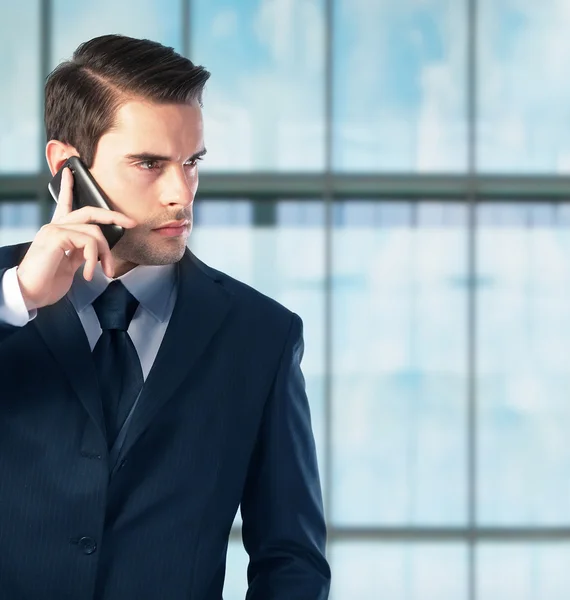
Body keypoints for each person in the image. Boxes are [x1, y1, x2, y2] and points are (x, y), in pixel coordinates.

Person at [0, 34, 330, 599]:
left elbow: (292, 559)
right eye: (149, 163)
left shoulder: (261, 338)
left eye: (191, 162)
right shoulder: (6, 299)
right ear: (67, 165)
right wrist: (18, 299)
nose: (182, 193)